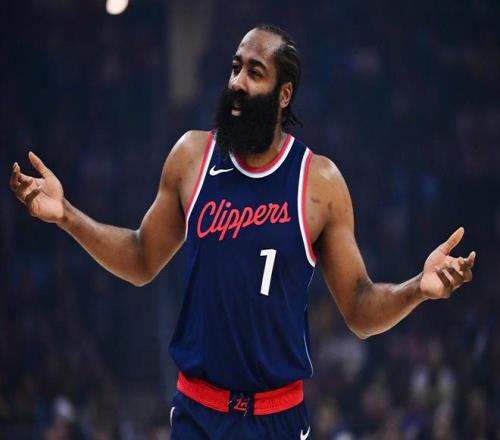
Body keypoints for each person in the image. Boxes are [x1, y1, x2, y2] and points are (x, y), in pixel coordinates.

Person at [10, 24, 475, 439]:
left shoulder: (319, 182)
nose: (237, 82)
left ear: (284, 94)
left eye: (255, 72)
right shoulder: (192, 157)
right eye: (235, 68)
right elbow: (140, 257)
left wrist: (418, 288)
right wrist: (67, 215)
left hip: (276, 418)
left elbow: (358, 308)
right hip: (197, 413)